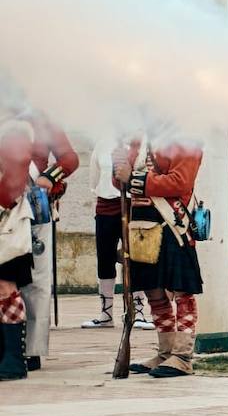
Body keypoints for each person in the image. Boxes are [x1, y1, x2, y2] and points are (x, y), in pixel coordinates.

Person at [114, 131, 204, 378]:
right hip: (142, 225)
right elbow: (122, 182)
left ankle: (183, 355)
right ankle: (165, 352)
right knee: (154, 291)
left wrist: (132, 177)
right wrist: (119, 166)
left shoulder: (187, 137)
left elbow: (180, 182)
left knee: (181, 291)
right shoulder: (139, 138)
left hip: (173, 224)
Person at [17, 108, 78, 372]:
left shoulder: (43, 118)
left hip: (33, 206)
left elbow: (69, 158)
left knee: (37, 280)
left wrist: (50, 179)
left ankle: (32, 348)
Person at [83, 137, 152, 331]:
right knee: (105, 258)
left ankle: (138, 311)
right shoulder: (103, 143)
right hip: (106, 204)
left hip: (134, 204)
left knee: (137, 258)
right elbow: (94, 178)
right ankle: (106, 314)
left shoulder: (143, 143)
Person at [0, 112, 37, 381]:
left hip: (8, 227)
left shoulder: (15, 135)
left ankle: (14, 359)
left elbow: (10, 188)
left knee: (6, 289)